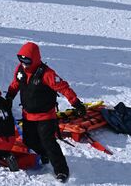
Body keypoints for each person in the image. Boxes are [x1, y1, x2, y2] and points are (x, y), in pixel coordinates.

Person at [5, 42, 87, 183]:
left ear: (35, 59)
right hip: (28, 115)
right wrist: (9, 97)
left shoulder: (47, 74)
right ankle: (44, 154)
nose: (24, 64)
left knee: (49, 142)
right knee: (29, 140)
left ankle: (61, 170)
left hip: (45, 116)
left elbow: (63, 88)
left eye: (27, 61)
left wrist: (76, 103)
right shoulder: (20, 70)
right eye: (22, 61)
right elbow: (15, 84)